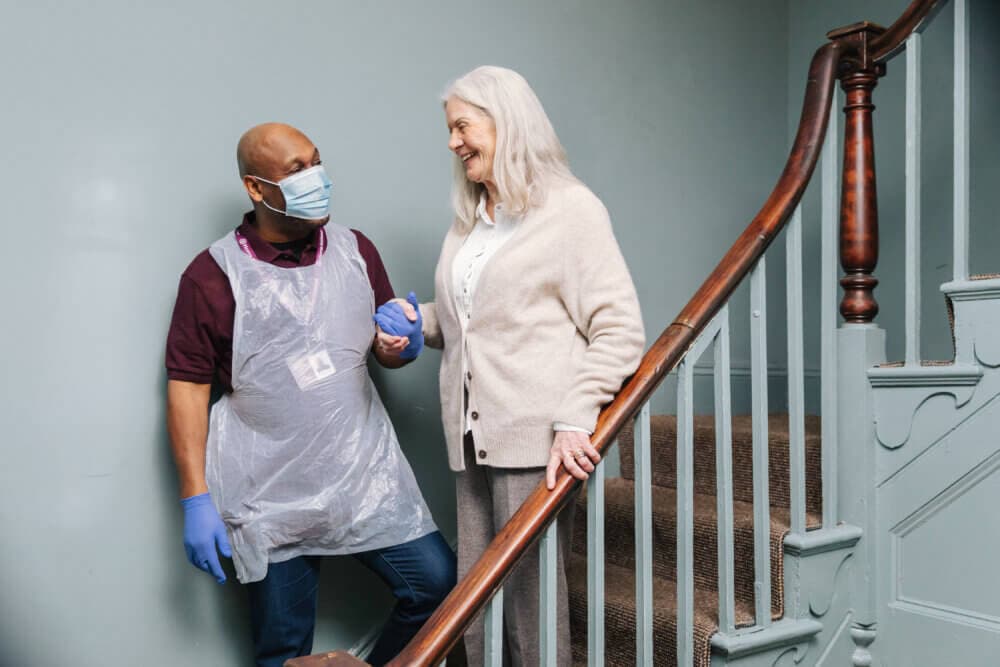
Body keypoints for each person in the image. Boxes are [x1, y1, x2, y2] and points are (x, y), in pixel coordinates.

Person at [374, 67, 645, 666]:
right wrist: (417, 321)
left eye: (462, 126)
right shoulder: (474, 219)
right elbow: (472, 318)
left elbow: (620, 328)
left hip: (537, 438)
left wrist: (578, 415)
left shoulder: (571, 210)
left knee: (529, 609)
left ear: (506, 122)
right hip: (472, 436)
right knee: (479, 603)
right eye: (450, 129)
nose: (452, 142)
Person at [165, 122, 455, 667]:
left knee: (438, 587)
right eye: (297, 170)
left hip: (361, 473)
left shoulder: (354, 250)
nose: (316, 178)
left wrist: (405, 342)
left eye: (316, 161)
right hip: (270, 491)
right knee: (282, 647)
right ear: (256, 187)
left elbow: (384, 347)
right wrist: (195, 497)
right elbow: (187, 386)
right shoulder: (211, 276)